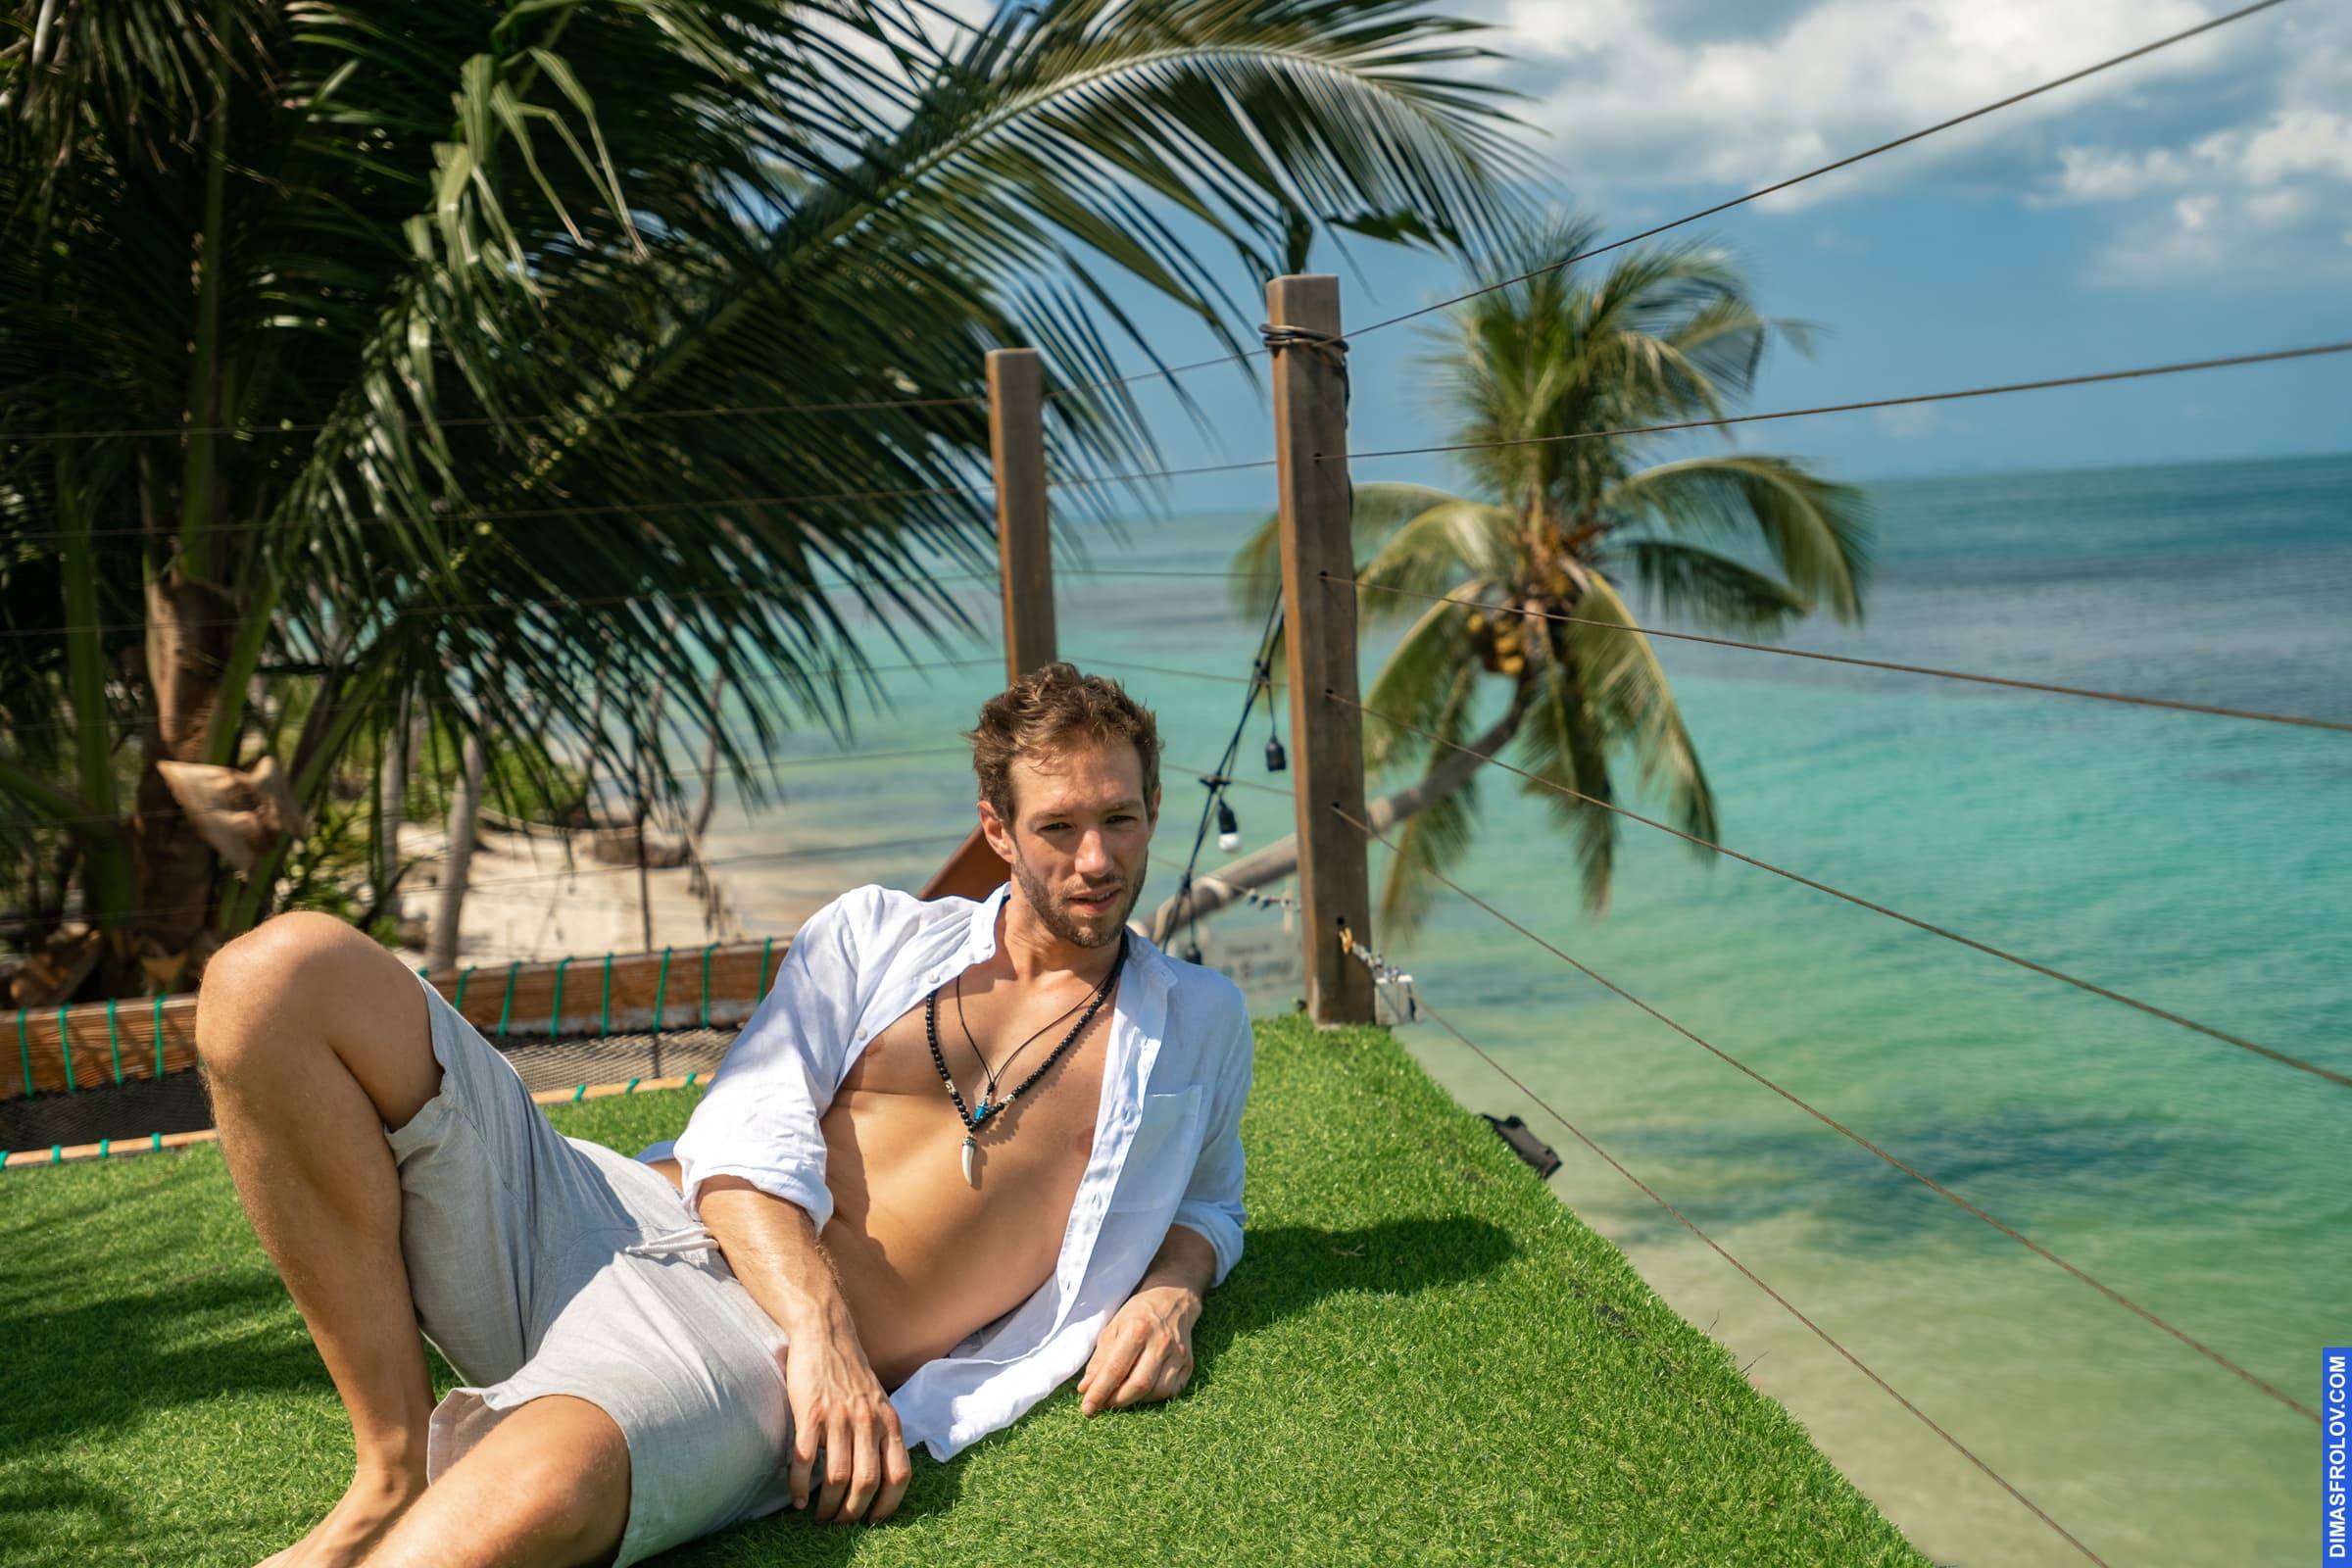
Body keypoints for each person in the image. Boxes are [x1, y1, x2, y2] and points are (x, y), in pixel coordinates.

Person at [195, 662, 1254, 1567]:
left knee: (527, 1499)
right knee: (273, 976)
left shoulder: (1198, 1021)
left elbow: (1208, 1201)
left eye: (1120, 820)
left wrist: (1172, 1292)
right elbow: (744, 1133)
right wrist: (825, 1333)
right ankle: (388, 1467)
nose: (1096, 861)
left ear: (1154, 810)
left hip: (732, 1353)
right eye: (1058, 827)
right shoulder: (876, 934)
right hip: (604, 1207)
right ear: (998, 828)